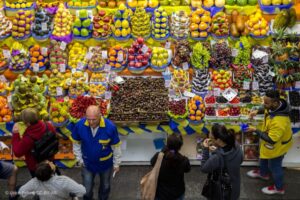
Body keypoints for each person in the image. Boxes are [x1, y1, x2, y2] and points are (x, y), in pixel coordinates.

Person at [246, 90, 293, 195]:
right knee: (263, 156)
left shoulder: (279, 121)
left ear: (275, 103)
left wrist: (255, 130)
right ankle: (263, 173)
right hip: (269, 143)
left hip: (277, 146)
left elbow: (272, 140)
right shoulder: (275, 106)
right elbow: (266, 109)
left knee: (275, 166)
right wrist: (257, 112)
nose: (264, 104)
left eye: (266, 103)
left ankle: (279, 188)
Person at [71, 105, 122, 200]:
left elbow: (116, 146)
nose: (90, 122)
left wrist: (117, 163)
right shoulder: (79, 125)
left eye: (93, 119)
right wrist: (79, 159)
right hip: (87, 164)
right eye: (88, 119)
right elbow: (76, 143)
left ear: (100, 115)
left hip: (105, 164)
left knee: (105, 186)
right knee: (87, 188)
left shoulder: (110, 127)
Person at [201, 124, 243, 200]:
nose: (210, 139)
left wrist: (205, 149)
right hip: (235, 186)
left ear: (218, 140)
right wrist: (217, 150)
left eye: (211, 138)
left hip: (221, 191)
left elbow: (204, 168)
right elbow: (241, 160)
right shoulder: (236, 145)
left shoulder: (216, 157)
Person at [11, 108, 57, 177]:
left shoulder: (29, 137)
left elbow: (17, 152)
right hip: (50, 160)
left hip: (36, 166)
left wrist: (15, 134)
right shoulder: (48, 125)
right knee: (51, 177)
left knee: (39, 182)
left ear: (28, 123)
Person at [150, 134, 191, 200]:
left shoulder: (158, 156)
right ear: (180, 146)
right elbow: (188, 169)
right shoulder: (184, 160)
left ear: (167, 144)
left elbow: (152, 163)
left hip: (160, 194)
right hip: (177, 193)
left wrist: (163, 150)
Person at [18, 160, 86, 200]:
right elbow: (82, 191)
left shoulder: (35, 182)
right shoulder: (63, 181)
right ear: (52, 172)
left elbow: (21, 192)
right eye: (50, 164)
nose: (51, 162)